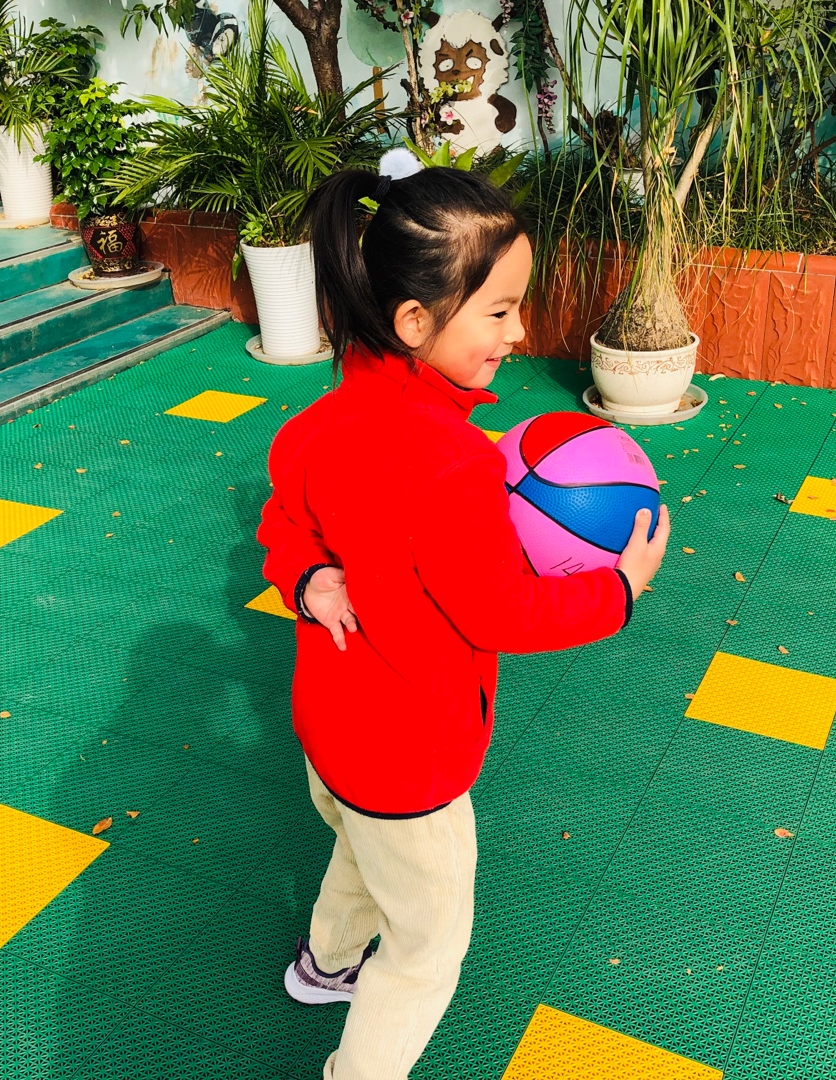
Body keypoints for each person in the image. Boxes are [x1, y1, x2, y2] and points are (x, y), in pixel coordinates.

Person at [255, 151, 671, 1080]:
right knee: (426, 949)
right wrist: (617, 590)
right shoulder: (455, 464)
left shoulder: (315, 427)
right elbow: (502, 611)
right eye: (500, 310)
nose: (520, 331)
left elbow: (283, 522)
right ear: (414, 320)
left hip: (331, 731)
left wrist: (306, 576)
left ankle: (324, 965)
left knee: (361, 848)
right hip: (411, 756)